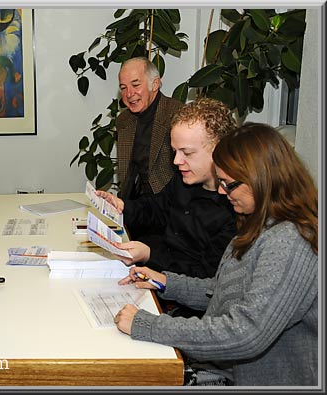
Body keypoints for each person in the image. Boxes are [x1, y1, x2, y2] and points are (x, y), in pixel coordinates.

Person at [114, 123, 318, 386]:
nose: (222, 192)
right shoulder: (260, 221)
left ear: (262, 179)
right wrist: (165, 281)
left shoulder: (291, 240)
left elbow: (245, 333)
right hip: (225, 368)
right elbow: (221, 290)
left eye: (228, 184)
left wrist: (149, 325)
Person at [98, 98, 237, 282]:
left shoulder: (235, 208)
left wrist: (149, 255)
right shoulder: (185, 179)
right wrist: (122, 206)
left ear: (219, 150)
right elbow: (156, 209)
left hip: (178, 293)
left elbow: (205, 278)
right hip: (155, 271)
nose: (176, 161)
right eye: (174, 151)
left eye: (186, 153)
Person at [115, 56, 184, 201]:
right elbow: (127, 176)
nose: (129, 94)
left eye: (136, 85)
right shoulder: (123, 121)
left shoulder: (178, 115)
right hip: (133, 205)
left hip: (169, 205)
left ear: (155, 84)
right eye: (123, 88)